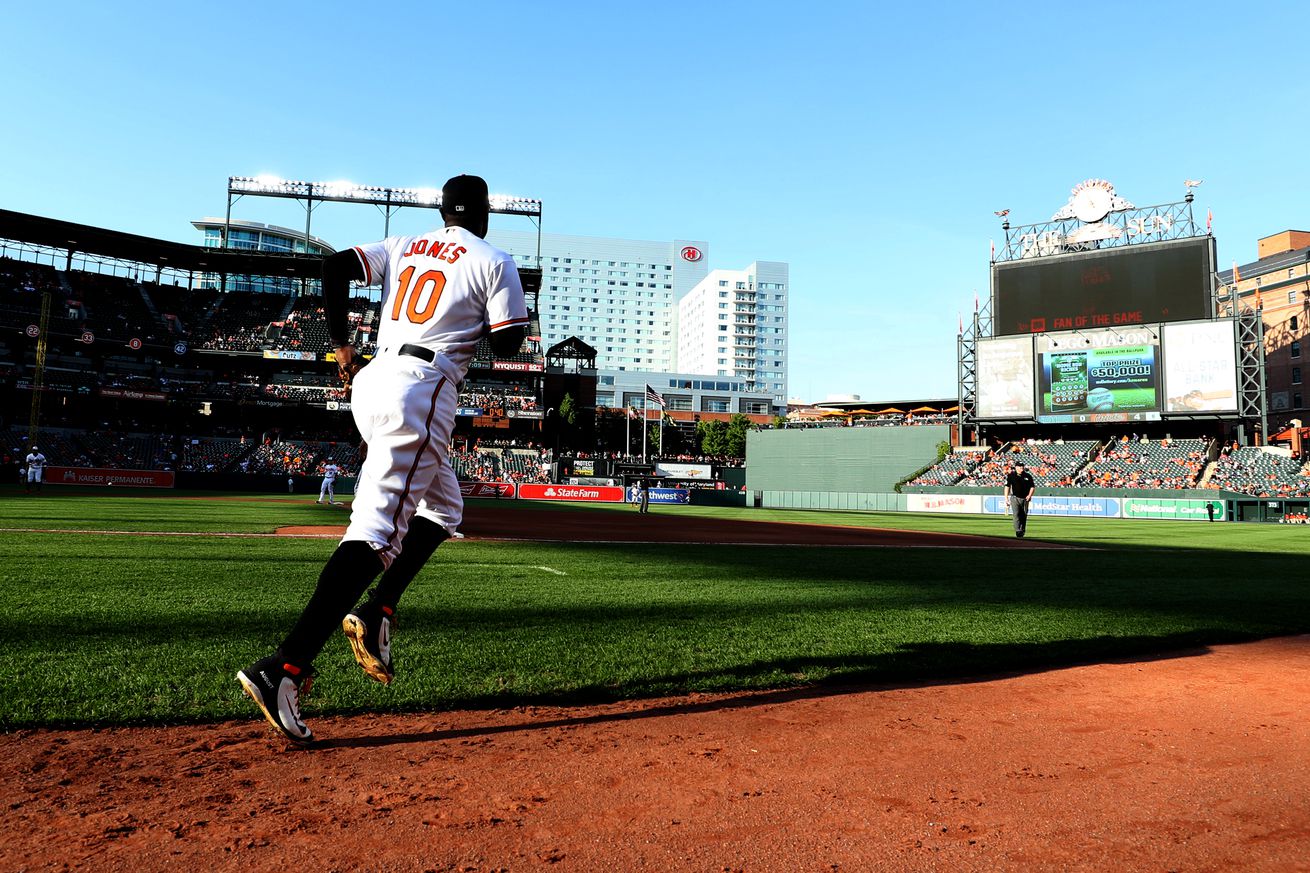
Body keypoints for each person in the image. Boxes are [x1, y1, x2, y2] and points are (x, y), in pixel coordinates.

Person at [237, 175, 529, 745]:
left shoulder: (405, 244)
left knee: (444, 510)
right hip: (421, 388)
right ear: (486, 213)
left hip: (373, 379)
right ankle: (285, 667)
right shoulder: (494, 259)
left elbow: (333, 268)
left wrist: (342, 343)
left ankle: (377, 611)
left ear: (443, 210)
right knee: (375, 534)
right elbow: (508, 343)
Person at [1003, 461, 1036, 538]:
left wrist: (1030, 495)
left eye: (1022, 466)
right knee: (1016, 515)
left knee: (1024, 515)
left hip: (1025, 499)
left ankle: (1022, 530)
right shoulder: (1011, 475)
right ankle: (1018, 531)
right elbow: (1007, 486)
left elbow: (1032, 487)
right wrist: (1006, 498)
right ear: (1016, 467)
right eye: (1020, 467)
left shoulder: (1028, 476)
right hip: (1015, 498)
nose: (1022, 468)